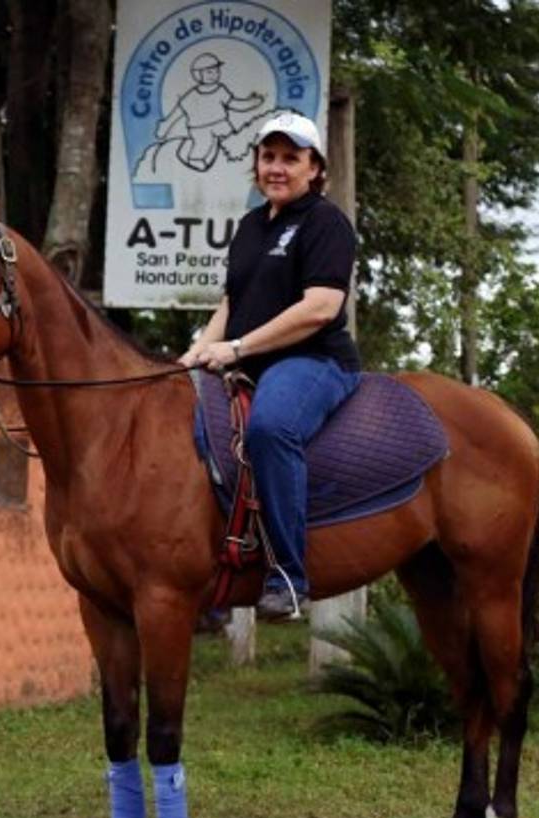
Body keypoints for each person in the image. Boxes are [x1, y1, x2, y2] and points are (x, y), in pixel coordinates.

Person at [180, 111, 361, 622]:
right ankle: (214, 575)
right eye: (268, 156)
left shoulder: (325, 223)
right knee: (185, 428)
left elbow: (320, 307)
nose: (277, 167)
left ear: (315, 169)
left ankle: (288, 574)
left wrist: (236, 350)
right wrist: (193, 357)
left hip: (313, 361)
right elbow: (231, 304)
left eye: (290, 158)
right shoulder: (251, 226)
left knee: (270, 427)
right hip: (248, 361)